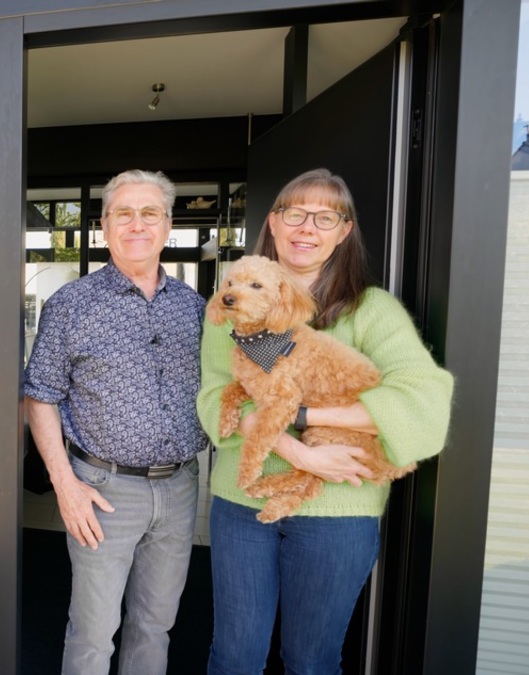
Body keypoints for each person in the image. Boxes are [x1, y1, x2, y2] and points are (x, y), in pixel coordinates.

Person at [197, 168, 454, 675]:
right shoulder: (231, 308)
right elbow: (212, 400)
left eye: (325, 216)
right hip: (241, 505)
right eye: (294, 213)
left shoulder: (371, 310)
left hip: (340, 512)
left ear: (344, 231)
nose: (306, 227)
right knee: (234, 658)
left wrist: (306, 415)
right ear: (273, 223)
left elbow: (423, 398)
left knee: (311, 661)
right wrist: (299, 450)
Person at [24, 169, 209, 674]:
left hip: (180, 487)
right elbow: (39, 396)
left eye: (149, 213)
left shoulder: (198, 309)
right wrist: (65, 486)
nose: (136, 224)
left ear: (167, 225)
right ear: (105, 227)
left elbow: (264, 356)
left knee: (155, 626)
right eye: (123, 213)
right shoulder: (71, 305)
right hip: (101, 491)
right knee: (92, 633)